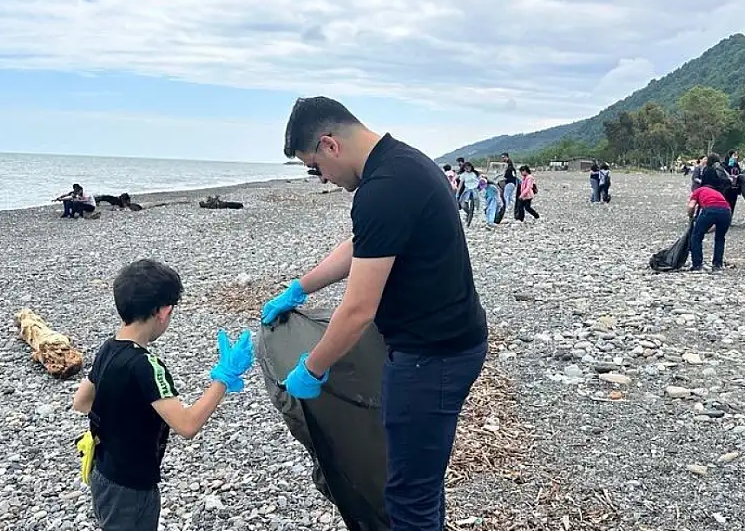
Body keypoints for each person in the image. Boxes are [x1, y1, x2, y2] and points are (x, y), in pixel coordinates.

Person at [261, 96, 488, 531]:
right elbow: (361, 246)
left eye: (315, 167)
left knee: (407, 496)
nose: (323, 178)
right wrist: (299, 288)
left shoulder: (384, 188)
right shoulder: (403, 164)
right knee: (420, 481)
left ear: (330, 145)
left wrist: (312, 368)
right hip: (448, 344)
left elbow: (358, 310)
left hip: (430, 358)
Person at [71, 259, 253, 531]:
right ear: (163, 312)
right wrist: (224, 377)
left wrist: (122, 416)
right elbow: (187, 425)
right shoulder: (147, 366)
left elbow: (82, 401)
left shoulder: (108, 348)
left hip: (103, 472)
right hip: (132, 486)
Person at [687, 183, 732, 272]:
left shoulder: (698, 191)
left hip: (710, 210)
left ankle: (697, 264)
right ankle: (717, 264)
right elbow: (717, 224)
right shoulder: (717, 193)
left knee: (696, 237)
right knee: (720, 238)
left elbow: (691, 206)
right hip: (727, 212)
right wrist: (705, 229)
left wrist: (691, 217)